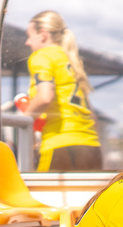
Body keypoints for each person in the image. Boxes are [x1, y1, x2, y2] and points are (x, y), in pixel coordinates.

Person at [21, 10, 102, 172]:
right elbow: (92, 114)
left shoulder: (42, 56)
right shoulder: (71, 59)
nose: (27, 42)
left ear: (43, 35)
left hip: (60, 144)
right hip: (91, 146)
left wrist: (23, 118)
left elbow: (44, 97)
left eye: (30, 36)